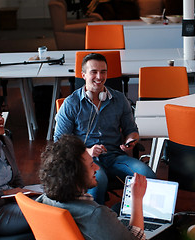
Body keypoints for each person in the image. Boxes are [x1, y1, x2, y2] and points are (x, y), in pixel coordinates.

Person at [54, 53, 156, 204]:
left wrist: (130, 140)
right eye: (94, 72)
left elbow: (131, 130)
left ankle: (141, 220)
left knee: (148, 176)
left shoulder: (119, 99)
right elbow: (59, 143)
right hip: (86, 160)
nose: (99, 76)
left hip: (115, 156)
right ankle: (97, 222)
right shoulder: (71, 104)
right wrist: (86, 151)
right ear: (83, 75)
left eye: (103, 72)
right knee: (98, 180)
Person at [37, 135, 147, 239]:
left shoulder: (44, 200)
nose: (97, 168)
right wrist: (137, 199)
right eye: (91, 165)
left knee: (117, 208)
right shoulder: (95, 214)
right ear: (75, 174)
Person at [0, 104, 33, 237]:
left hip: (13, 202)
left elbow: (17, 178)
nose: (1, 119)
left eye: (0, 115)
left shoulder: (5, 142)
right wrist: (6, 193)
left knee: (50, 202)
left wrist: (23, 193)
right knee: (45, 212)